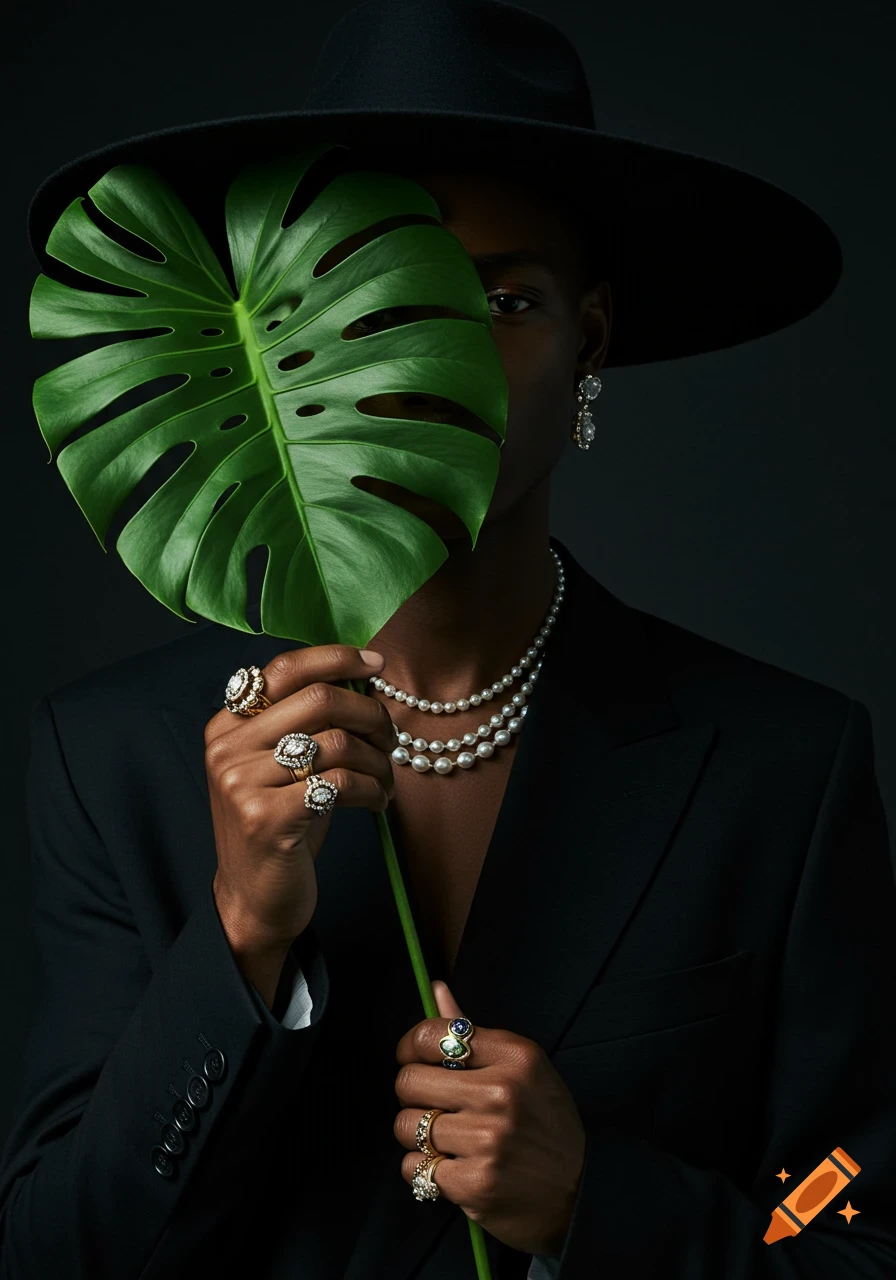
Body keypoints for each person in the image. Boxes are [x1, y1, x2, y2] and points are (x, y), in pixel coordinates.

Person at [3, 1, 895, 1278]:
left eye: (499, 295)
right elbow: (54, 1254)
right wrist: (242, 934)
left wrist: (598, 1201)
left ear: (585, 341)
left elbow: (856, 1218)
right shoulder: (115, 764)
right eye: (374, 294)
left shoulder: (780, 767)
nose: (436, 363)